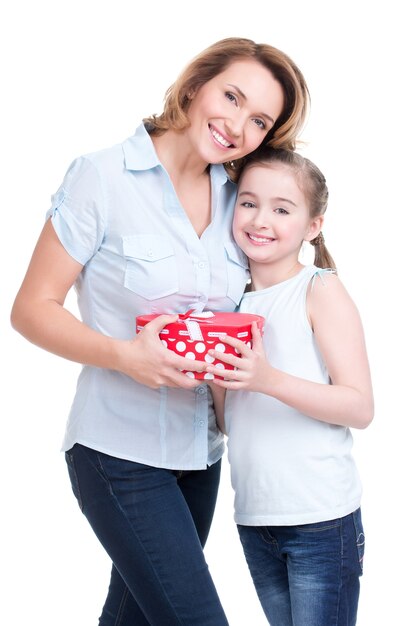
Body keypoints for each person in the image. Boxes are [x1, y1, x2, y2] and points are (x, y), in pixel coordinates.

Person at [10, 39, 309, 625]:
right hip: (117, 452)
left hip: (200, 457)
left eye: (259, 121)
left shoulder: (240, 199)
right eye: (231, 96)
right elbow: (31, 308)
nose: (236, 126)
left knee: (133, 618)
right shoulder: (103, 175)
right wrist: (125, 356)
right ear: (196, 84)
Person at [206, 147, 374, 626]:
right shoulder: (232, 301)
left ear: (313, 226)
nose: (261, 219)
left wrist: (267, 379)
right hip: (256, 519)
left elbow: (359, 407)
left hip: (321, 521)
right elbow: (230, 423)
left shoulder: (320, 289)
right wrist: (220, 382)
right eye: (249, 202)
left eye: (282, 209)